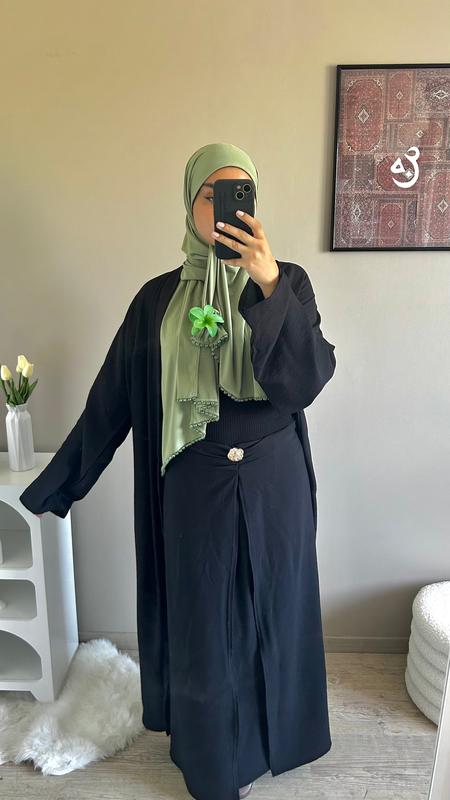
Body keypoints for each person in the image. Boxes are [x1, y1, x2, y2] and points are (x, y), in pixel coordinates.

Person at [19, 142, 337, 800]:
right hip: (194, 486)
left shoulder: (290, 282)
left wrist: (269, 284)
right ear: (190, 204)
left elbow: (305, 381)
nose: (223, 207)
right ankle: (216, 760)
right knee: (205, 623)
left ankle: (285, 736)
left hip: (275, 481)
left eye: (239, 192)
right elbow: (111, 400)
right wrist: (58, 485)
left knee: (277, 606)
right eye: (211, 194)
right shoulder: (156, 301)